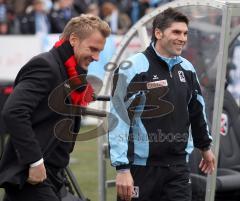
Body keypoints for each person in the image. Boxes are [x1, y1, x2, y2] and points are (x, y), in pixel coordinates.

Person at [0, 14, 110, 201]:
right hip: (32, 176)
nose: (97, 57)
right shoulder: (45, 65)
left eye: (99, 51)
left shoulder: (71, 71)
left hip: (55, 175)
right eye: (93, 49)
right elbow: (14, 112)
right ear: (74, 40)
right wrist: (34, 162)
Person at [109, 8, 215, 201]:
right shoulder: (132, 68)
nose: (182, 38)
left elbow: (197, 112)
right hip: (141, 169)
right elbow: (118, 119)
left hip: (178, 169)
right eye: (176, 32)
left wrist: (205, 147)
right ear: (158, 33)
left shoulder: (187, 68)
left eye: (185, 33)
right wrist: (122, 168)